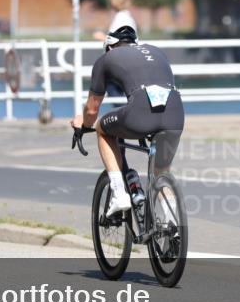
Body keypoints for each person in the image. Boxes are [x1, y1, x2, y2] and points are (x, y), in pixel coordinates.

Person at [70, 25, 184, 215]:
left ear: (109, 47)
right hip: (175, 113)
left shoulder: (105, 59)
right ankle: (172, 224)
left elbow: (92, 109)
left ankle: (118, 193)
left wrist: (83, 124)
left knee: (102, 129)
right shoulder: (156, 51)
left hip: (139, 113)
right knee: (161, 172)